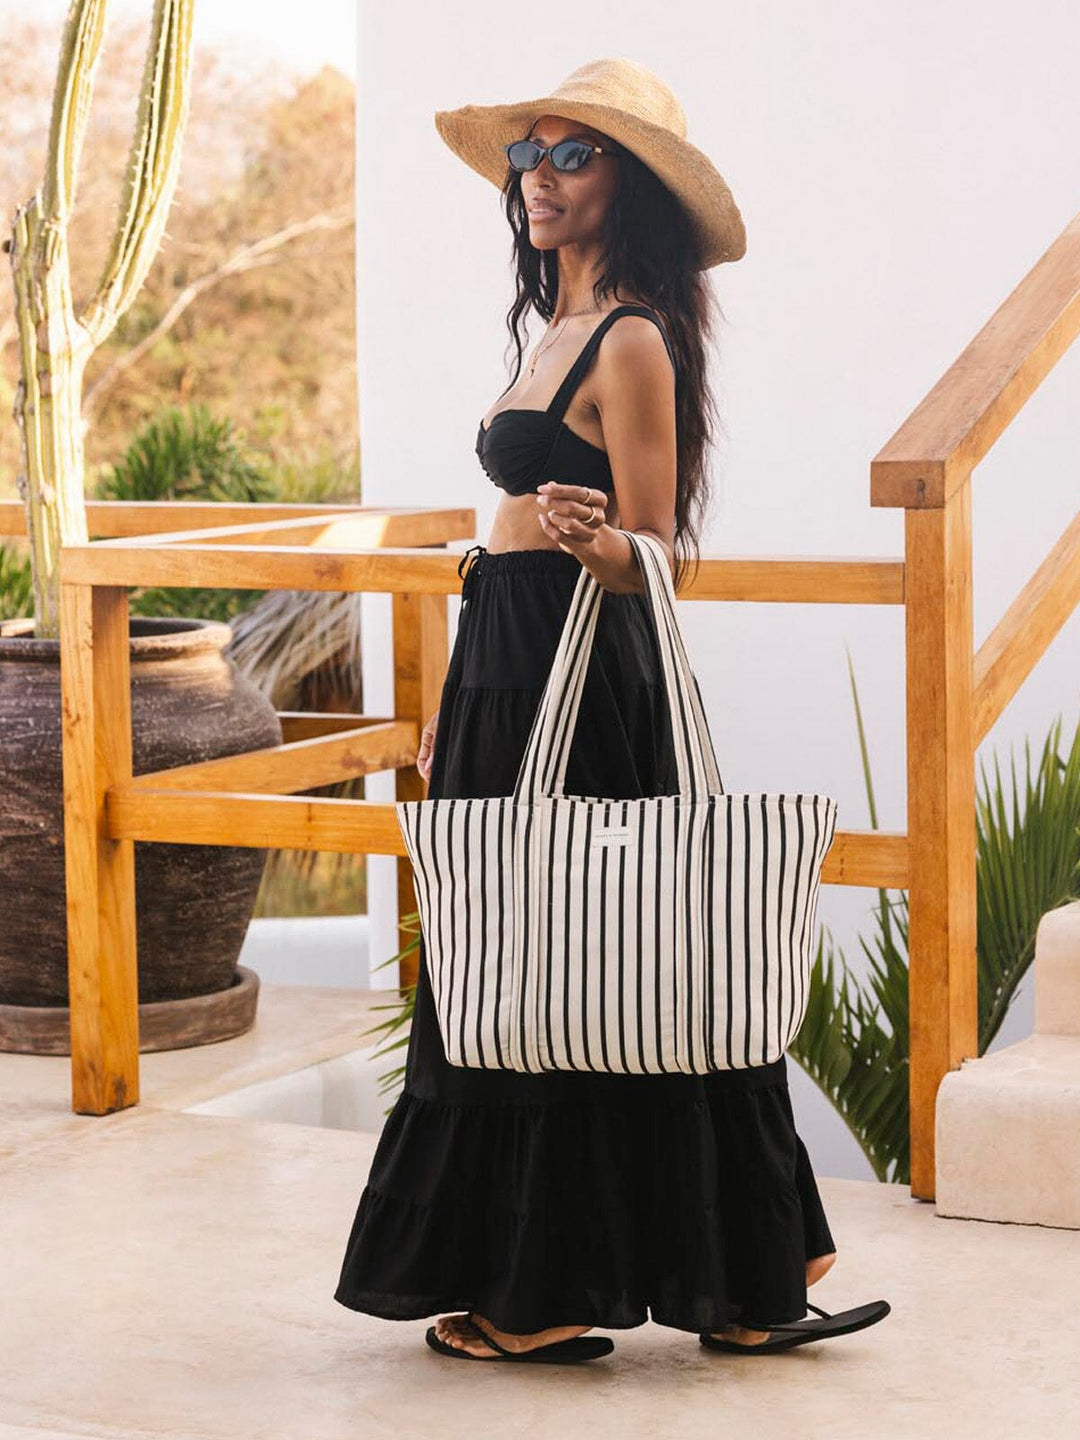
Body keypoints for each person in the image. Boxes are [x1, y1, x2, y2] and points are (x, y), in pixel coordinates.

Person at [334, 56, 889, 1365]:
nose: (537, 173)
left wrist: (594, 548)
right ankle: (716, 1279)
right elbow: (516, 529)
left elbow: (653, 542)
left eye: (569, 154)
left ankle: (566, 1294)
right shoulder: (553, 328)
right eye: (528, 151)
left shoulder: (635, 334)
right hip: (506, 657)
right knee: (534, 957)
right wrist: (457, 697)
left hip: (581, 672)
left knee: (601, 954)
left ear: (625, 185)